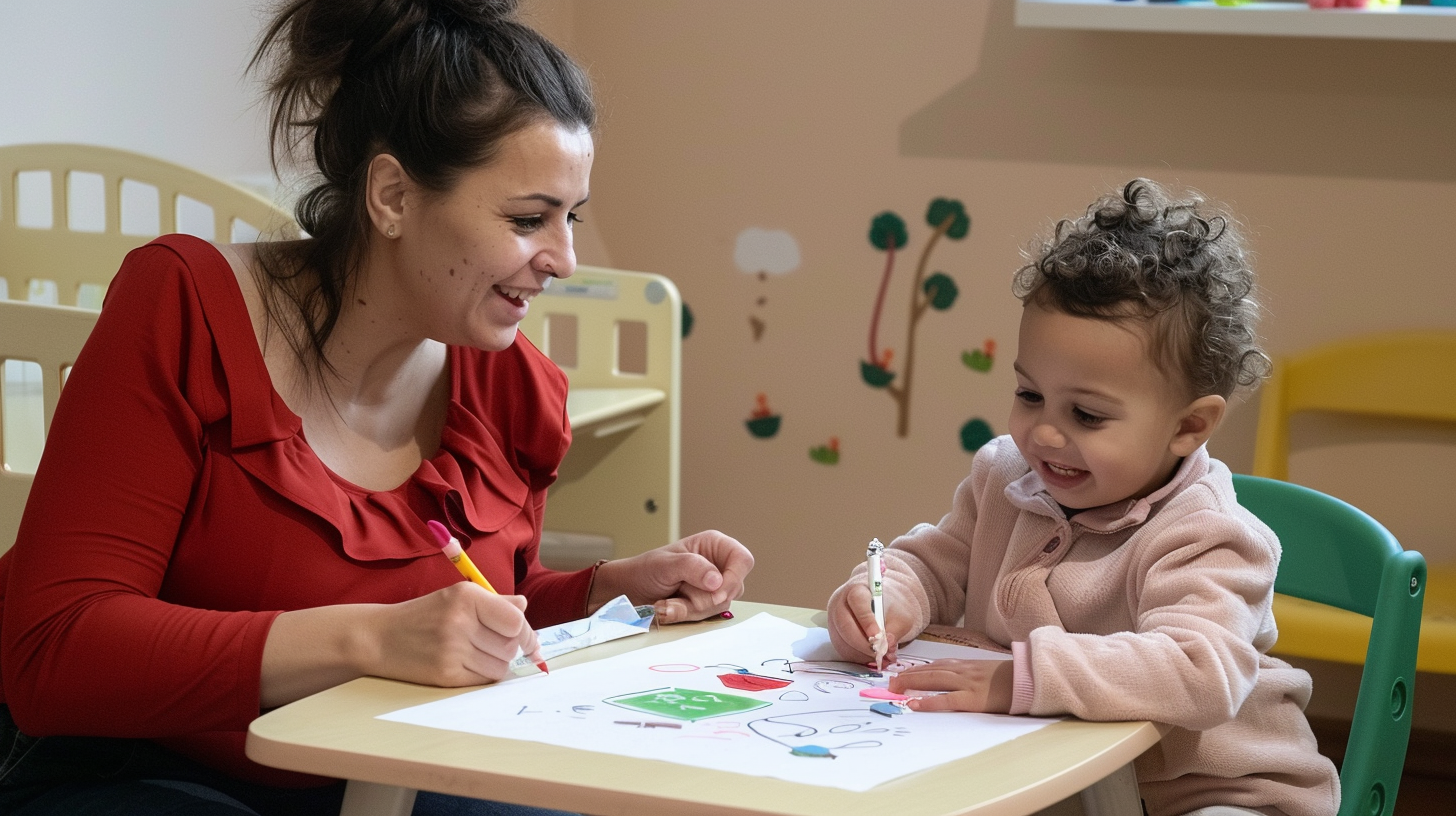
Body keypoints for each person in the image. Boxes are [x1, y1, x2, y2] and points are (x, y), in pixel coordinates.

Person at [0, 1, 752, 814]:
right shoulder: (186, 306)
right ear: (392, 195)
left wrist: (610, 592)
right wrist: (367, 637)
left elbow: (486, 604)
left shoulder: (513, 386)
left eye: (572, 218)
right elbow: (54, 651)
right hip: (149, 771)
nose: (563, 259)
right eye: (528, 218)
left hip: (386, 774)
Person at [827, 179, 1339, 816]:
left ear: (1188, 427)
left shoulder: (1211, 534)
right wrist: (886, 596)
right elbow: (934, 562)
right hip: (1057, 778)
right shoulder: (1002, 477)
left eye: (1088, 415)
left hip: (1217, 794)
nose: (1043, 432)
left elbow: (1201, 672)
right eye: (1030, 395)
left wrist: (1023, 677)